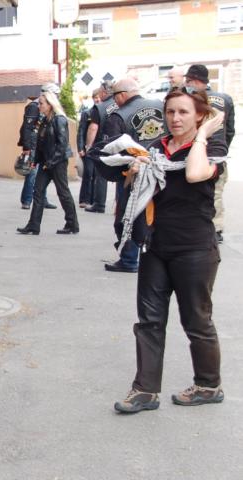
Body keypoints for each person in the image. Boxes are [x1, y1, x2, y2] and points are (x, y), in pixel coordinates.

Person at [114, 88, 226, 414]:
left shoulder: (211, 148)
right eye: (171, 112)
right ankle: (144, 391)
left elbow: (194, 173)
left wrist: (202, 135)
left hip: (195, 249)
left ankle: (208, 385)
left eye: (184, 112)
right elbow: (133, 188)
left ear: (200, 115)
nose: (175, 118)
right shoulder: (155, 147)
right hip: (156, 246)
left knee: (196, 321)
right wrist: (134, 172)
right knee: (148, 321)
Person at [97, 78, 165, 273]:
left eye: (115, 97)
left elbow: (112, 148)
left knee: (127, 215)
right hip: (161, 169)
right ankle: (155, 255)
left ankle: (129, 259)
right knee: (159, 214)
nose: (114, 101)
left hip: (133, 172)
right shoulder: (161, 106)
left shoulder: (118, 115)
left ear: (122, 95)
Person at [185, 64, 236, 243]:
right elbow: (230, 130)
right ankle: (217, 229)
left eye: (188, 80)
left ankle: (200, 227)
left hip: (196, 150)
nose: (186, 84)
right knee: (217, 191)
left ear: (194, 80)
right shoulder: (225, 98)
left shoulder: (190, 98)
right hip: (218, 152)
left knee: (193, 190)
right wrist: (223, 146)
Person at [16, 91, 79, 235]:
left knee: (63, 193)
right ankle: (33, 226)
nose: (38, 106)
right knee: (38, 192)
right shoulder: (44, 120)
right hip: (46, 162)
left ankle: (72, 224)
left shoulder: (60, 120)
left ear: (50, 104)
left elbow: (62, 145)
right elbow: (41, 144)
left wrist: (51, 163)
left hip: (58, 162)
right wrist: (35, 161)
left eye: (41, 103)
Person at [18, 84, 59, 210]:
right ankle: (26, 200)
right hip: (33, 144)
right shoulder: (34, 106)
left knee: (43, 173)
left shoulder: (49, 106)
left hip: (42, 144)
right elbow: (27, 128)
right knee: (32, 172)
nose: (57, 97)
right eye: (56, 94)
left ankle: (42, 199)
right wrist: (26, 147)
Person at [83, 81, 117, 213]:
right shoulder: (120, 104)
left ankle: (99, 204)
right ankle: (119, 204)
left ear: (103, 92)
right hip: (121, 142)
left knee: (101, 175)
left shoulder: (100, 107)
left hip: (103, 143)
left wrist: (88, 146)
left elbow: (93, 128)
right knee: (122, 174)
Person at [77, 89, 99, 208]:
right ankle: (84, 199)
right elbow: (81, 131)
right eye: (95, 97)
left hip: (99, 148)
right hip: (88, 148)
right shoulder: (87, 113)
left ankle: (93, 200)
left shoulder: (104, 112)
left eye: (99, 97)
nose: (97, 99)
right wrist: (80, 147)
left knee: (96, 174)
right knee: (88, 173)